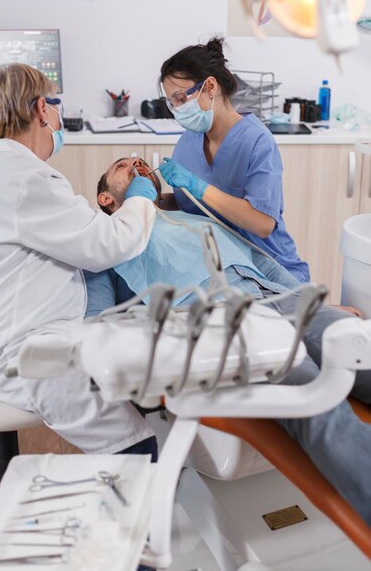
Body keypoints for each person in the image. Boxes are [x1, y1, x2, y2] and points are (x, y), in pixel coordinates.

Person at [84, 156, 371, 527]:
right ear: (106, 199)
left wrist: (316, 302)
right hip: (223, 318)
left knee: (363, 358)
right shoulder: (105, 242)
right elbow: (98, 325)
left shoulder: (197, 219)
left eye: (140, 162)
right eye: (123, 167)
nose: (137, 165)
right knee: (316, 399)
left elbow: (264, 264)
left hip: (280, 299)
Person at [0, 63, 159, 458]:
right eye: (57, 105)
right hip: (15, 351)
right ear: (41, 110)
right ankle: (129, 511)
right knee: (136, 446)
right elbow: (108, 243)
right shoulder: (26, 180)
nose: (59, 116)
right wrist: (141, 195)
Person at [157, 36, 309, 284]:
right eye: (170, 101)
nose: (176, 108)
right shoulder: (188, 141)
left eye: (181, 98)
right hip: (227, 269)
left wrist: (197, 185)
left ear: (210, 87)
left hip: (272, 269)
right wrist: (152, 199)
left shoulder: (257, 141)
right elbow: (195, 202)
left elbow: (262, 223)